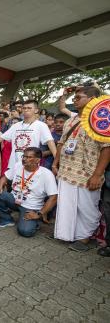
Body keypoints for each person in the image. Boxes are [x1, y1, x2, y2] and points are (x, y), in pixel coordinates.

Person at [53, 86, 110, 252]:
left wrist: (97, 175)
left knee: (87, 207)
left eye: (79, 97)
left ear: (92, 99)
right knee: (67, 205)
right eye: (74, 98)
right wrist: (55, 163)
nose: (74, 100)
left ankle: (84, 237)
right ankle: (66, 234)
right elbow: (62, 142)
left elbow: (107, 148)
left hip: (88, 173)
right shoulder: (71, 119)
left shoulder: (102, 119)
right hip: (66, 171)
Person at [0, 147, 57, 237]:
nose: (24, 159)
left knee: (25, 232)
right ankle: (6, 220)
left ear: (38, 160)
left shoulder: (46, 174)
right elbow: (5, 177)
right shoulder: (18, 165)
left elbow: (53, 197)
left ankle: (35, 222)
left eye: (29, 157)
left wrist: (39, 214)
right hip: (14, 200)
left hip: (30, 207)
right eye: (24, 156)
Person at [0, 100, 56, 172]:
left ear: (36, 110)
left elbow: (50, 141)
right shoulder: (16, 125)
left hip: (31, 164)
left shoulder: (41, 125)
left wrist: (56, 160)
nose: (26, 110)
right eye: (24, 108)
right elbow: (2, 137)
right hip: (14, 164)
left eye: (29, 108)